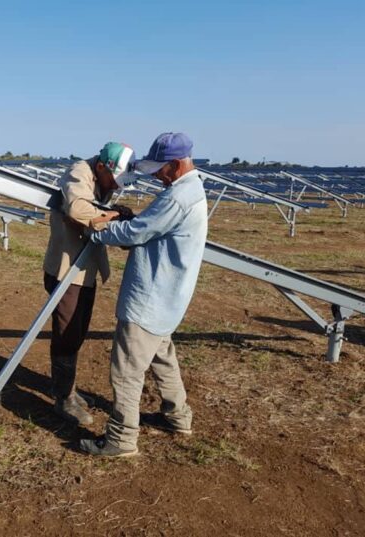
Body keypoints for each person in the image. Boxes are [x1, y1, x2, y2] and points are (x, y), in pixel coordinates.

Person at [79, 132, 208, 457]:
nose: (156, 176)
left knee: (126, 371)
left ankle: (121, 440)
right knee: (163, 359)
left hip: (149, 299)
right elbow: (152, 227)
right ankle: (179, 417)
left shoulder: (178, 197)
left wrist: (98, 229)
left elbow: (139, 233)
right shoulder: (190, 189)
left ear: (177, 165)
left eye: (161, 170)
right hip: (168, 300)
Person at [42, 142, 135, 425]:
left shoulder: (100, 178)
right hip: (67, 269)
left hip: (85, 268)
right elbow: (79, 210)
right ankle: (63, 399)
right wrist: (114, 216)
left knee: (78, 331)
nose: (116, 187)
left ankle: (68, 389)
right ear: (101, 167)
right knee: (67, 334)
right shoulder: (79, 172)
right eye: (114, 180)